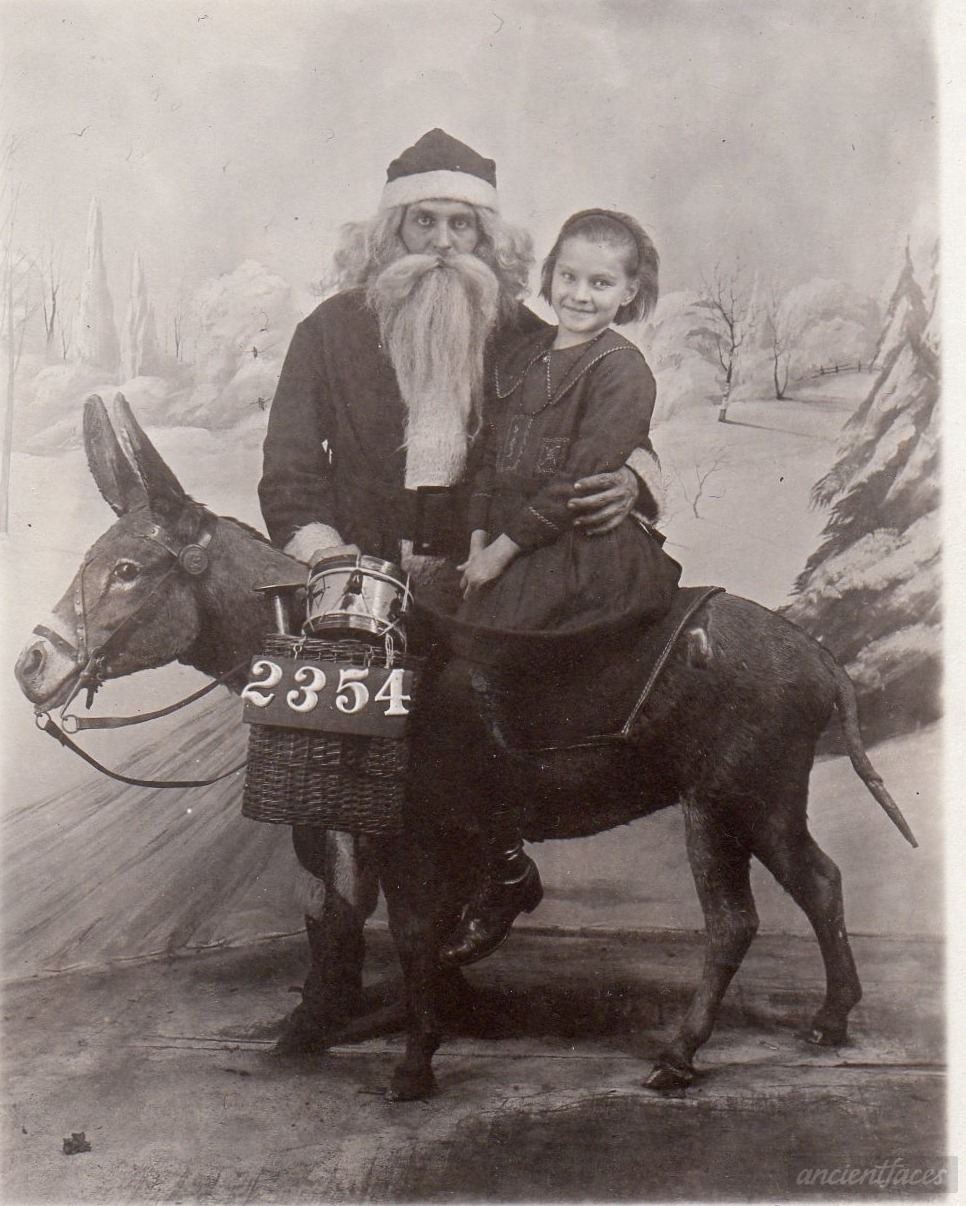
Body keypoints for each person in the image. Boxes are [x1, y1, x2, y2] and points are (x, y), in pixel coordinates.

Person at [258, 130, 651, 1051]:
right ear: (388, 234)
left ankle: (450, 960)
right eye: (422, 222)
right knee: (329, 782)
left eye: (461, 226)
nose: (441, 242)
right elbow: (286, 473)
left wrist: (636, 478)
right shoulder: (330, 330)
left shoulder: (527, 331)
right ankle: (333, 987)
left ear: (491, 243)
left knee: (460, 766)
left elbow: (600, 421)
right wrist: (333, 562)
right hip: (355, 574)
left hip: (484, 580)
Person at [436, 209, 681, 968]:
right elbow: (484, 461)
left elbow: (581, 480)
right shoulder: (521, 356)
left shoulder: (620, 369)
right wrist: (478, 535)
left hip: (579, 554)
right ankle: (489, 852)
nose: (580, 294)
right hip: (505, 548)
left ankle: (509, 853)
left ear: (630, 291)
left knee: (470, 679)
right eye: (569, 276)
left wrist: (505, 549)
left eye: (601, 282)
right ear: (549, 275)